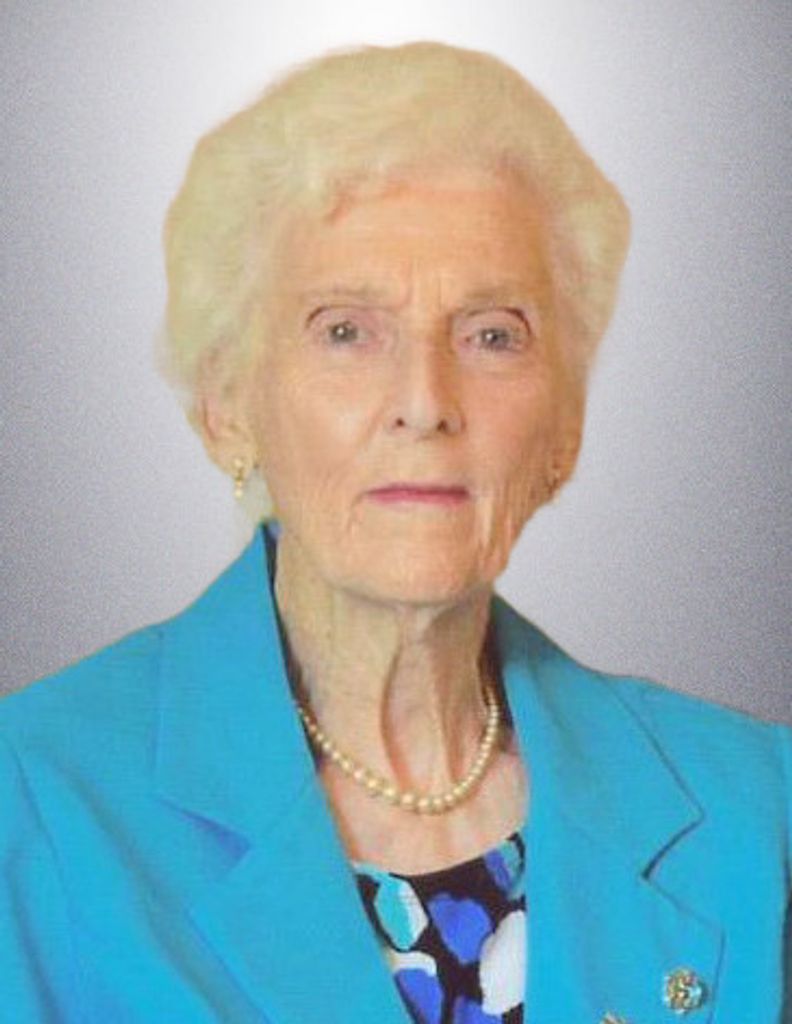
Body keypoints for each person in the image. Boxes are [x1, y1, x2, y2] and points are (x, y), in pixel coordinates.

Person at [0, 40, 789, 1024]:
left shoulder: (758, 811)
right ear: (227, 407)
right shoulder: (31, 802)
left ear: (565, 426)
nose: (426, 400)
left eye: (492, 333)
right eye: (346, 331)